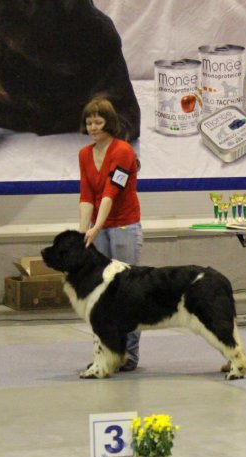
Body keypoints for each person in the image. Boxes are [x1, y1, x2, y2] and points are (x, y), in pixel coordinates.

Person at [78, 98, 143, 372]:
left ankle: (129, 354)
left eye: (98, 121)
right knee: (102, 295)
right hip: (99, 228)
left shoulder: (123, 150)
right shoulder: (84, 154)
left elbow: (110, 193)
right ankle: (107, 352)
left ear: (109, 122)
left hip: (124, 226)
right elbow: (86, 195)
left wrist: (97, 226)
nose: (93, 127)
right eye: (89, 122)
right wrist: (82, 232)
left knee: (127, 291)